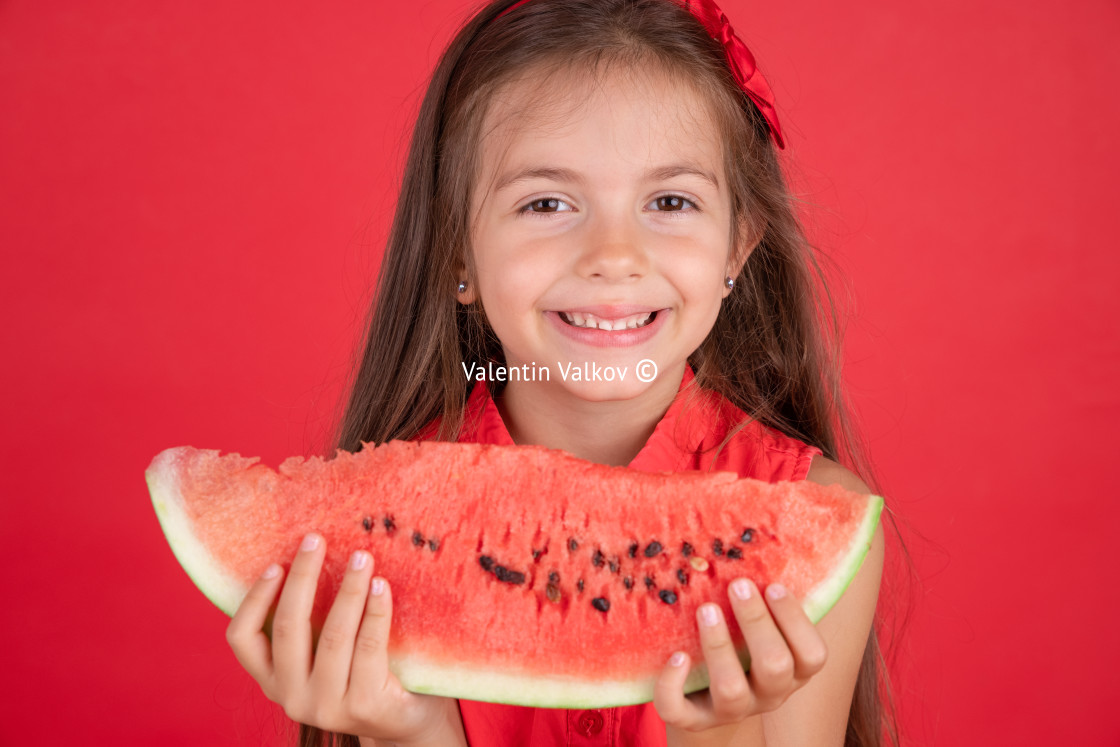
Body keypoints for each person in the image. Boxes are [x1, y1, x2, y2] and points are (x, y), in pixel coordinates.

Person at [225, 0, 895, 744]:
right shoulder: (372, 535)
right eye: (546, 202)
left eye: (670, 201)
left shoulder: (811, 516)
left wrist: (722, 731)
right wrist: (409, 732)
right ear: (457, 253)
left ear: (737, 247)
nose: (613, 253)